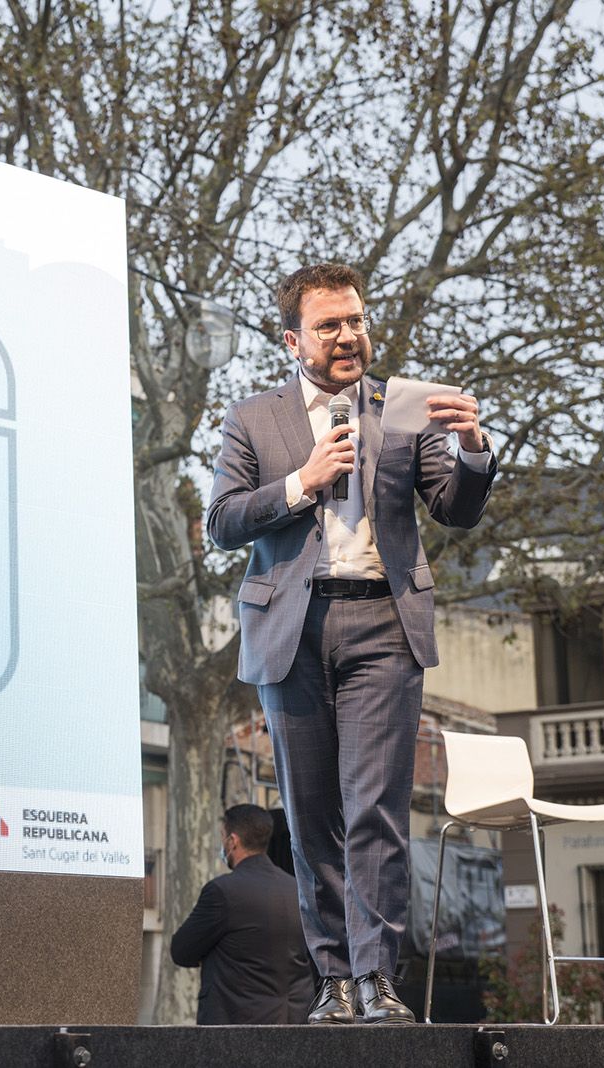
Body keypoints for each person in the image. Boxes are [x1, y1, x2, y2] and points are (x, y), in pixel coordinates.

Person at [205, 263, 496, 1025]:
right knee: (309, 817)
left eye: (357, 321)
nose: (348, 337)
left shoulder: (403, 409)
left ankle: (377, 980)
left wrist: (469, 447)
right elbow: (223, 519)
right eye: (330, 325)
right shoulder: (252, 420)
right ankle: (330, 980)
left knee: (376, 812)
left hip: (382, 626)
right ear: (293, 339)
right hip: (290, 630)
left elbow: (454, 508)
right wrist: (301, 482)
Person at [170, 804, 314, 1025]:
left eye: (222, 837)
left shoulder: (222, 892)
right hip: (294, 1024)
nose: (222, 844)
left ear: (233, 841)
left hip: (238, 1030)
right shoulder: (297, 889)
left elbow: (181, 950)